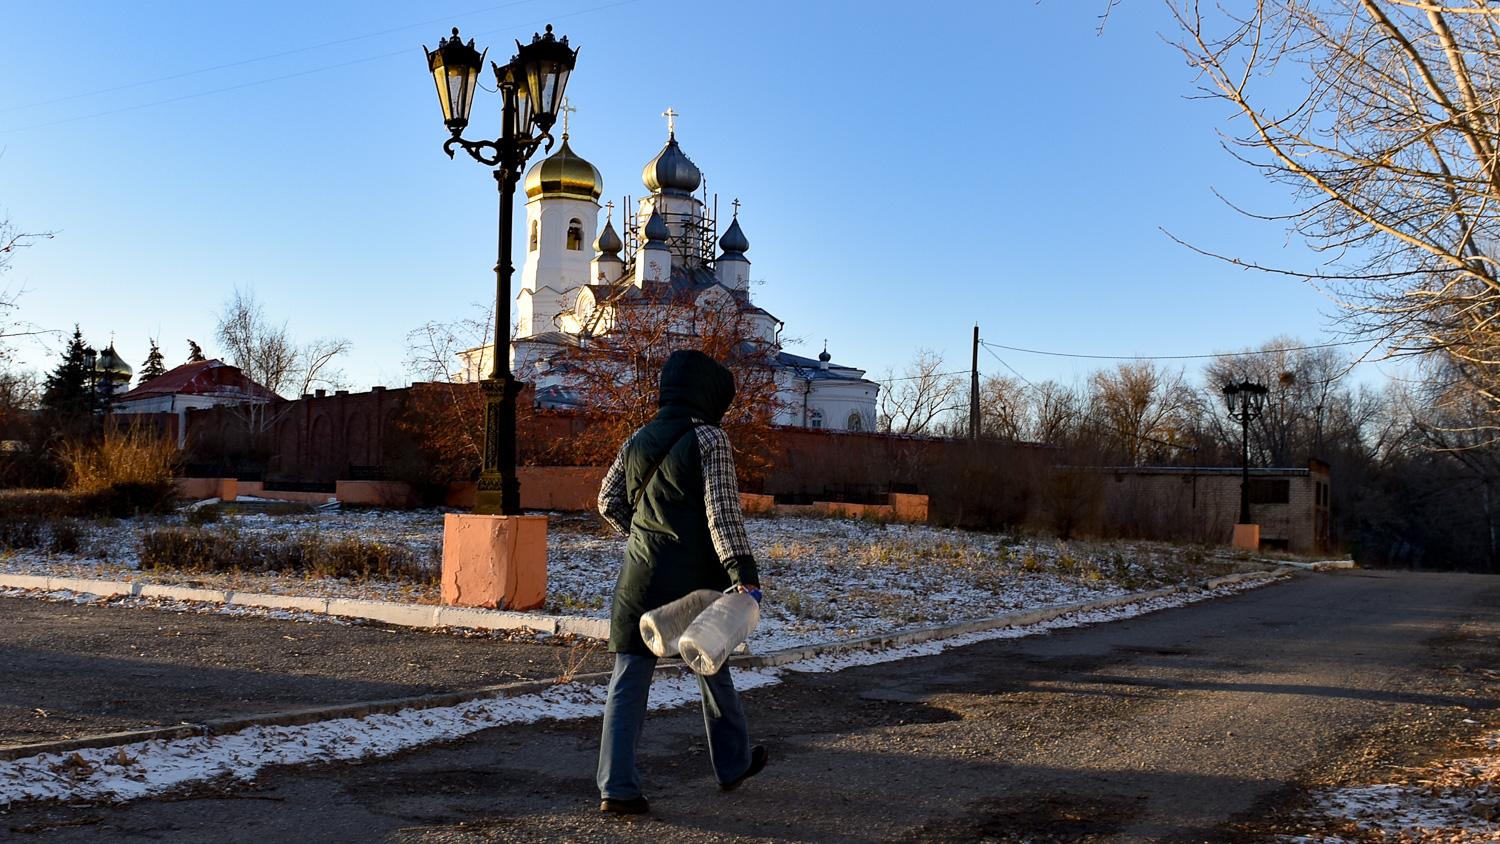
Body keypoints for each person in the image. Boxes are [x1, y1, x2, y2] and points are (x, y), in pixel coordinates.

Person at [595, 349, 768, 815]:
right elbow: (722, 514)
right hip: (694, 583)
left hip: (639, 576)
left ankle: (618, 788)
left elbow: (606, 499)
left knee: (628, 679)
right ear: (707, 393)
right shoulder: (710, 438)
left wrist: (643, 534)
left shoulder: (638, 438)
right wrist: (743, 576)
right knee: (713, 668)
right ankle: (731, 765)